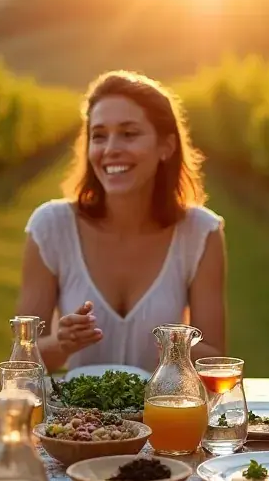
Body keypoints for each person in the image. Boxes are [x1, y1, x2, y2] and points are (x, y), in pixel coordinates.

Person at [17, 70, 226, 373]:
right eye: (99, 136)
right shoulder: (50, 227)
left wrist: (176, 346)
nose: (111, 148)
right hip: (76, 420)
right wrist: (62, 344)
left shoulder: (200, 232)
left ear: (166, 146)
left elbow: (214, 361)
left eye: (129, 134)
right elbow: (20, 363)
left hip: (161, 416)